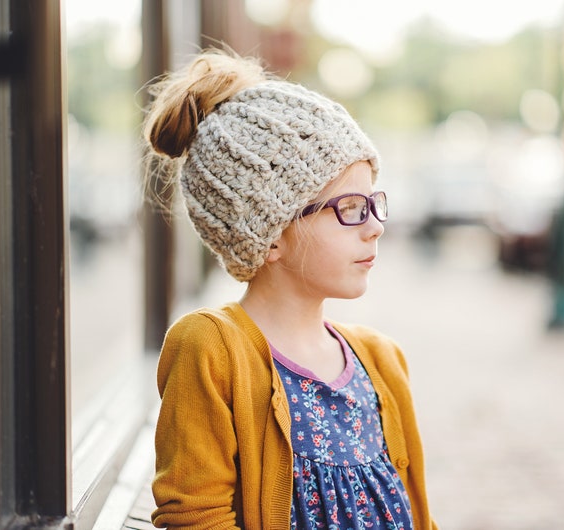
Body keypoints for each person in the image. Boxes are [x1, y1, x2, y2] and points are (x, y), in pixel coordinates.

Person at [143, 47, 436, 530]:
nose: (375, 226)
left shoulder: (382, 359)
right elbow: (193, 515)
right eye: (349, 209)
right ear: (272, 234)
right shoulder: (211, 350)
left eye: (375, 202)